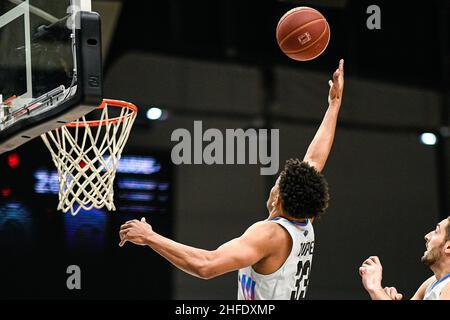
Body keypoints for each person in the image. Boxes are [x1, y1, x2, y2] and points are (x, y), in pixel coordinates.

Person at [119, 59, 345, 300]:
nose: (275, 181)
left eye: (278, 181)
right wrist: (334, 104)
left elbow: (206, 265)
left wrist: (150, 237)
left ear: (279, 197)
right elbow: (314, 159)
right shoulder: (304, 218)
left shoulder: (269, 235)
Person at [359, 216, 450, 300]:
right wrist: (384, 296)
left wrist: (375, 289)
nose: (427, 236)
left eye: (436, 231)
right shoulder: (433, 282)